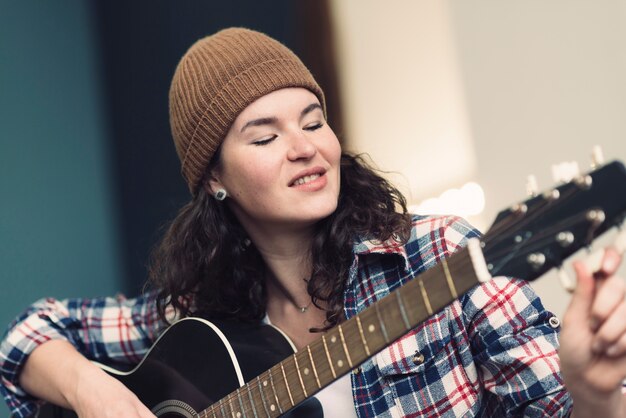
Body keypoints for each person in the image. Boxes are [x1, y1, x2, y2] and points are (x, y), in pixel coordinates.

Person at [1, 27, 626, 418]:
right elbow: (26, 338)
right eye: (265, 136)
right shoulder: (193, 319)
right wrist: (93, 391)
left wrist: (597, 396)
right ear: (215, 179)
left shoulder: (440, 255)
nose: (305, 147)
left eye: (312, 119)